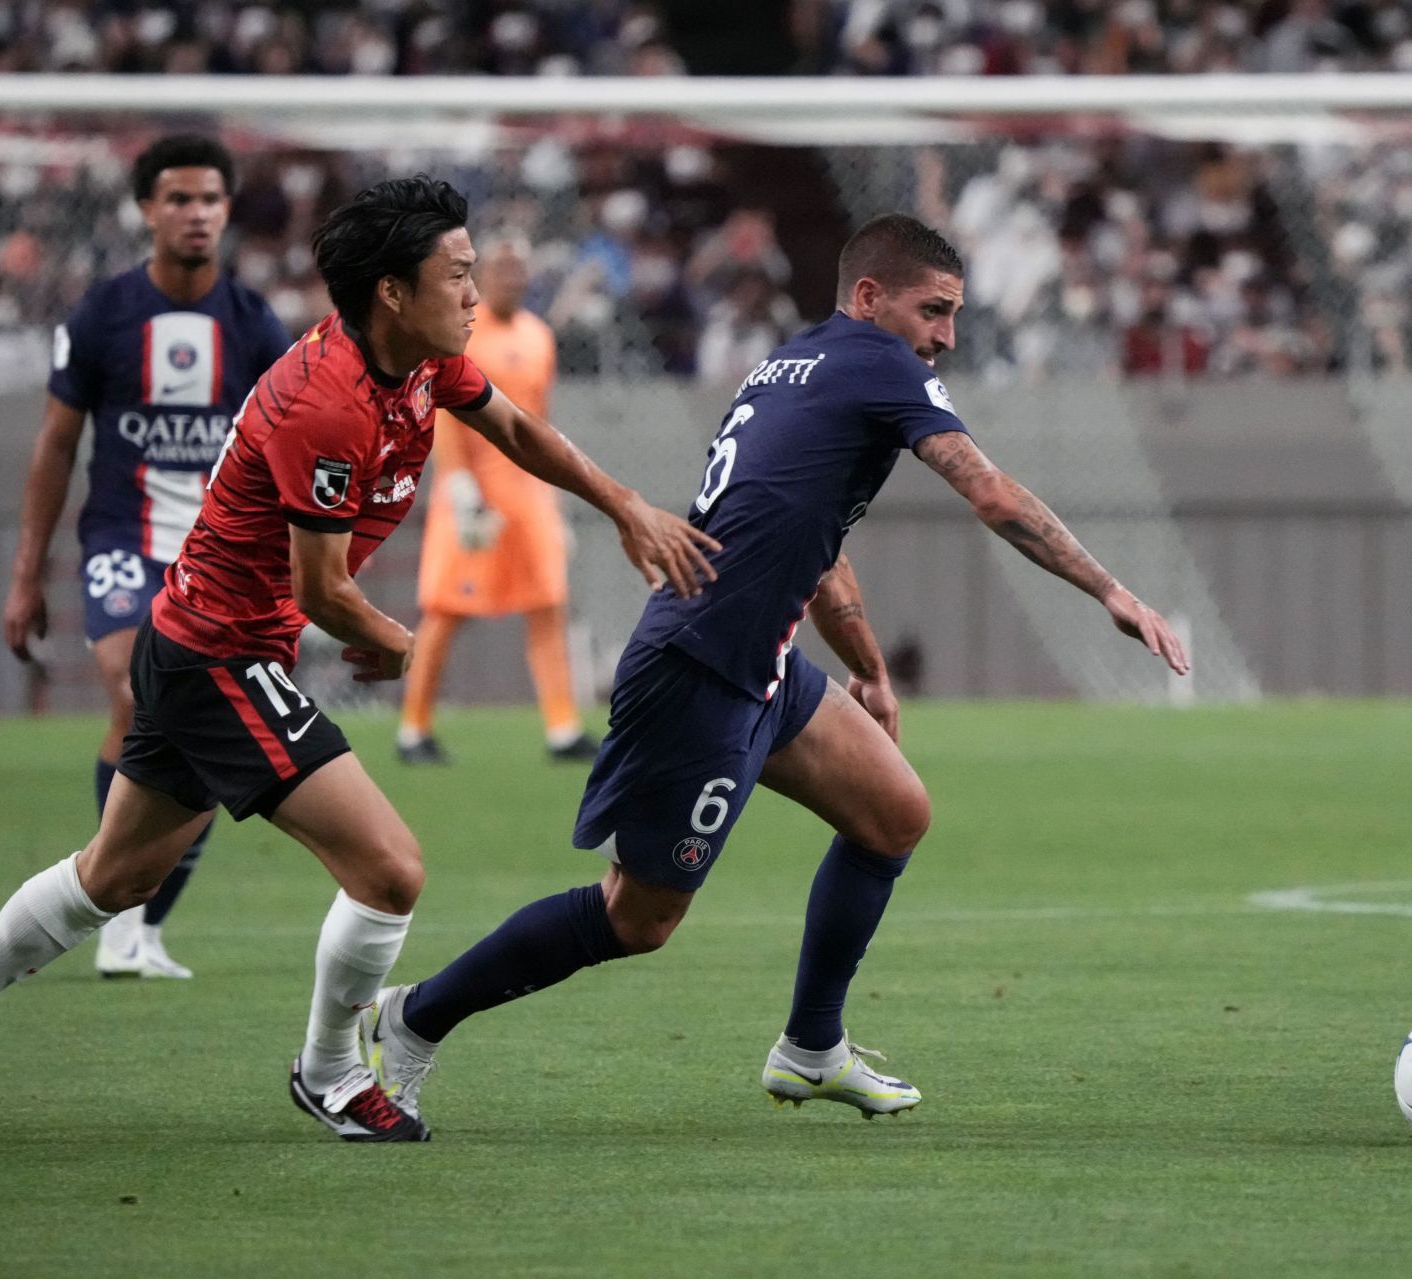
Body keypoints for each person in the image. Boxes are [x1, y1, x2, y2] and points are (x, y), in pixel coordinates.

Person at [0, 175, 719, 1145]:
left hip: (197, 644)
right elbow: (320, 590)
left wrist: (624, 505)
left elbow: (513, 426)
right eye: (459, 274)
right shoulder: (328, 403)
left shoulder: (422, 360)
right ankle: (334, 1073)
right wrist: (393, 638)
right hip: (218, 654)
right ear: (393, 291)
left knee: (116, 873)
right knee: (390, 869)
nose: (477, 293)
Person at [359, 214, 1189, 1124]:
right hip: (699, 666)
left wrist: (868, 667)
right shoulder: (882, 367)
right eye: (934, 311)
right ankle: (410, 1018)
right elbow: (989, 492)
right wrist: (1110, 589)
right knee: (638, 919)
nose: (945, 336)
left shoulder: (796, 367)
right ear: (870, 298)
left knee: (894, 813)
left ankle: (811, 1047)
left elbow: (813, 538)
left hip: (762, 661)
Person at [0, 135, 293, 980]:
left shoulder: (252, 323)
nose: (195, 214)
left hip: (218, 556)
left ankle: (140, 919)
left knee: (189, 732)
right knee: (136, 691)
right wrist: (26, 574)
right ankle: (116, 906)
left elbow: (287, 450)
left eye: (209, 199)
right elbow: (56, 448)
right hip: (123, 537)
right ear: (146, 210)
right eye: (177, 199)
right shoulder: (102, 316)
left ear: (228, 210)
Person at [396, 237, 598, 765]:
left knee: (548, 605)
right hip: (473, 494)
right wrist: (459, 487)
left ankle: (562, 728)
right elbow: (442, 409)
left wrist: (555, 499)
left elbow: (541, 423)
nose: (514, 278)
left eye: (521, 269)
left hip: (528, 492)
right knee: (445, 609)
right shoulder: (462, 330)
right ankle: (413, 729)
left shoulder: (538, 336)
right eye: (504, 269)